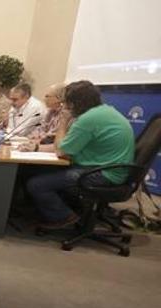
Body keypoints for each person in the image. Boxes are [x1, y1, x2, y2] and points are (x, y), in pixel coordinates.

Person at [26, 80, 135, 229]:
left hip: (103, 174)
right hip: (109, 168)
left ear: (76, 103)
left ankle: (64, 217)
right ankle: (62, 210)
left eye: (66, 103)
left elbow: (61, 150)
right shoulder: (104, 111)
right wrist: (37, 148)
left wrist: (63, 122)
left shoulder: (87, 120)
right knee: (38, 171)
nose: (64, 106)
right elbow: (67, 147)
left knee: (37, 184)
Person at [20, 83, 68, 150]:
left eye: (47, 96)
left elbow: (53, 136)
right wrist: (35, 136)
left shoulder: (65, 114)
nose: (43, 99)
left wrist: (40, 139)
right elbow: (40, 129)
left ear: (59, 98)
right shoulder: (50, 112)